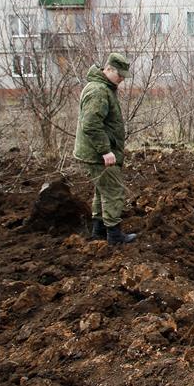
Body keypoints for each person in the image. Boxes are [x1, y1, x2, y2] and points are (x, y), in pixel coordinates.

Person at [73, 53, 138, 245]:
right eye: (120, 75)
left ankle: (99, 230)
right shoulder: (99, 91)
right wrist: (105, 150)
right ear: (108, 69)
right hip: (98, 153)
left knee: (102, 191)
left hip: (95, 152)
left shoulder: (102, 87)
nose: (122, 80)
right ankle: (115, 236)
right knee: (113, 191)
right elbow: (91, 124)